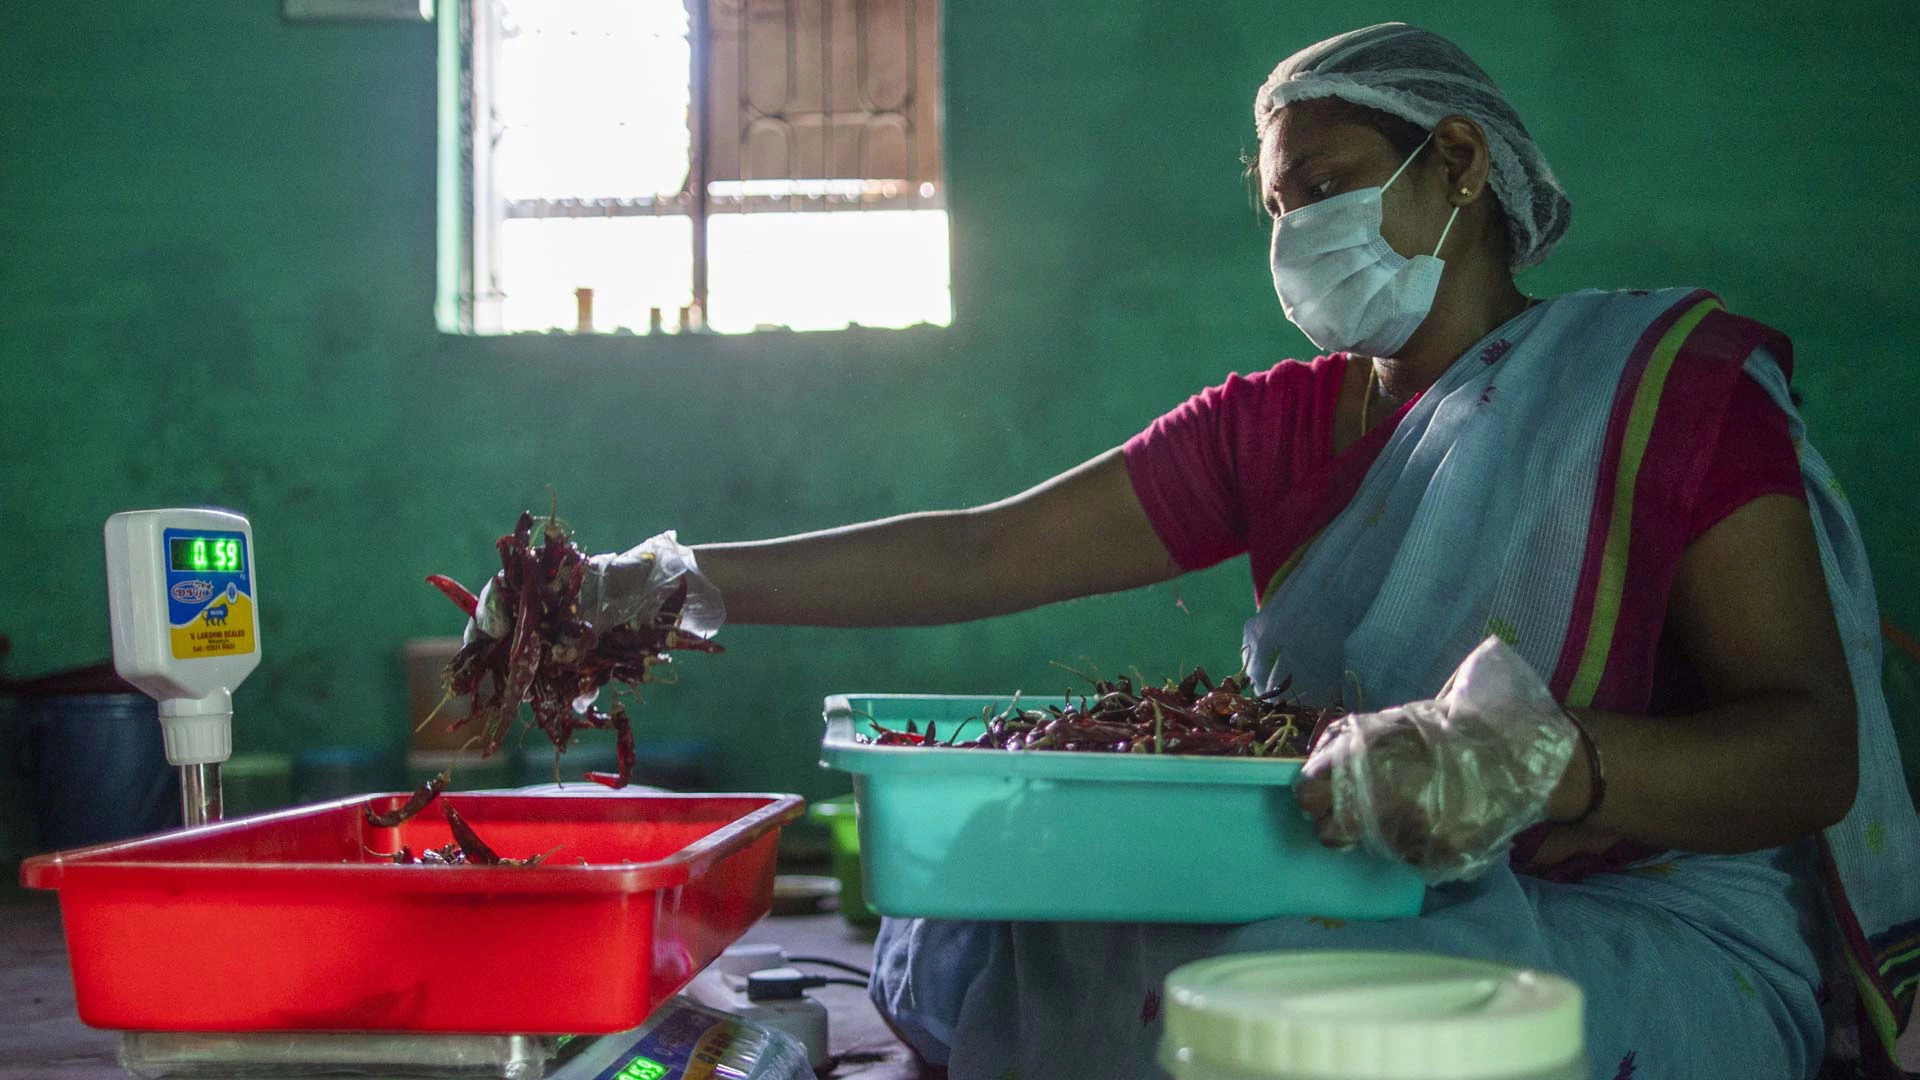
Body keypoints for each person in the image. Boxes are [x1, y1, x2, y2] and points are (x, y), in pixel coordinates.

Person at [568, 23, 1917, 1080]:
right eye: (1279, 208)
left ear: (1457, 163)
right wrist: (680, 580)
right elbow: (986, 557)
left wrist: (1550, 769)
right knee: (1020, 926)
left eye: (1325, 189)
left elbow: (1807, 752)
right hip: (1351, 875)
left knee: (1264, 1003)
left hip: (1639, 915)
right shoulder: (1280, 425)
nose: (1296, 238)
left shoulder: (1659, 391)